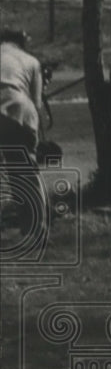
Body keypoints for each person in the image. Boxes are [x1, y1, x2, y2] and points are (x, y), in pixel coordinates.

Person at [0, 29, 47, 236]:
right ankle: (36, 230)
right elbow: (37, 103)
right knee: (25, 172)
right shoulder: (31, 61)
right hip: (19, 110)